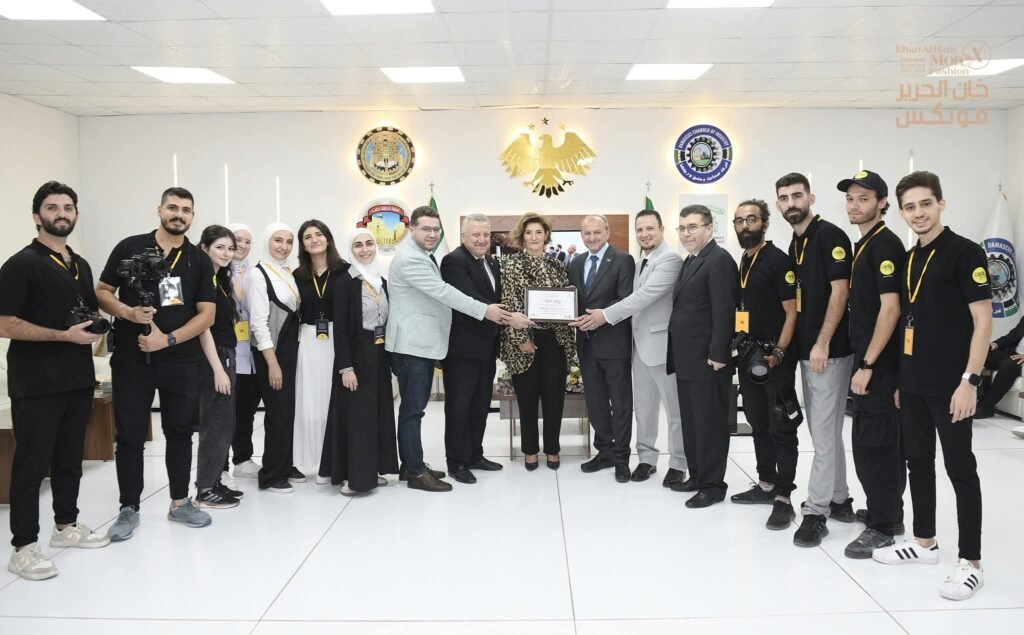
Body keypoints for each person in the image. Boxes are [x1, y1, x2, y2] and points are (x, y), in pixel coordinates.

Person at [872, 171, 990, 601]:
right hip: (914, 383)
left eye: (925, 204)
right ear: (901, 212)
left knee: (960, 469)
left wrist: (970, 380)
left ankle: (971, 561)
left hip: (953, 384)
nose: (918, 213)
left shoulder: (966, 252)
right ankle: (924, 542)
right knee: (917, 462)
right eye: (910, 207)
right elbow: (910, 321)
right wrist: (903, 381)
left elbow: (983, 321)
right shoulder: (908, 259)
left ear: (941, 203)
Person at [0, 181, 111, 581]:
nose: (61, 213)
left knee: (69, 458)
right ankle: (24, 547)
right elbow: (5, 323)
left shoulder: (79, 264)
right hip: (37, 382)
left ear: (75, 214)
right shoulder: (21, 264)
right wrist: (64, 336)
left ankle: (66, 525)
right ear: (37, 216)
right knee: (32, 465)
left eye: (68, 207)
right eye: (52, 207)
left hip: (77, 378)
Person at [97, 187, 216, 540]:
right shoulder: (130, 247)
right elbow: (102, 290)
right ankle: (128, 508)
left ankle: (180, 502)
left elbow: (207, 315)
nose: (179, 214)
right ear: (159, 210)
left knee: (180, 431)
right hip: (132, 357)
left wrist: (168, 339)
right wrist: (127, 312)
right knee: (130, 434)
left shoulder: (198, 260)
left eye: (186, 210)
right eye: (172, 207)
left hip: (180, 359)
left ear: (192, 216)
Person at [385, 205, 513, 492]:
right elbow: (443, 292)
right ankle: (415, 471)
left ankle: (413, 464)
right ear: (412, 229)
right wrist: (486, 311)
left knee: (415, 409)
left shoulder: (423, 255)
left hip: (424, 343)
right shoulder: (412, 258)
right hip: (413, 344)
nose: (432, 234)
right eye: (426, 229)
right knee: (413, 411)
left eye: (435, 229)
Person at [571, 209, 687, 486]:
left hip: (660, 345)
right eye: (640, 230)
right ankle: (646, 459)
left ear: (662, 229)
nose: (644, 234)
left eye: (650, 228)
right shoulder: (640, 261)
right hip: (637, 346)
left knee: (674, 409)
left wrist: (604, 315)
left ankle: (678, 463)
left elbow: (642, 296)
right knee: (644, 409)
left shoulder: (669, 259)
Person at [778, 172, 856, 547]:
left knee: (822, 436)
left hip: (829, 351)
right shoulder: (796, 241)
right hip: (808, 351)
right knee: (826, 432)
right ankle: (839, 498)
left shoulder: (830, 236)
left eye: (797, 196)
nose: (791, 203)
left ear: (810, 198)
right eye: (784, 198)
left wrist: (823, 342)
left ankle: (816, 511)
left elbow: (841, 292)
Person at [837, 171, 907, 559]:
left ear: (882, 203)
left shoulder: (884, 245)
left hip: (878, 366)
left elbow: (890, 309)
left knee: (875, 446)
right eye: (850, 198)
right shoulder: (866, 243)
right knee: (877, 443)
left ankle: (882, 526)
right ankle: (888, 514)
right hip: (870, 362)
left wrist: (867, 364)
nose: (854, 205)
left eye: (863, 198)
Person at [727, 199, 801, 529]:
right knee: (757, 422)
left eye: (751, 220)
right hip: (749, 357)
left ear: (765, 224)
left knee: (781, 427)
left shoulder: (778, 261)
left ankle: (784, 497)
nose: (745, 226)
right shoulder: (744, 259)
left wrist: (779, 353)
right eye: (739, 221)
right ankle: (766, 483)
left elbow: (791, 313)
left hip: (774, 359)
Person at [667, 205, 739, 508]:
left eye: (693, 227)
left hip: (709, 361)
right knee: (693, 423)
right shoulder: (692, 260)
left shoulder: (719, 260)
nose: (686, 234)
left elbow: (725, 311)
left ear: (709, 228)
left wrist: (719, 353)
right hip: (687, 360)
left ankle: (712, 486)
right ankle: (697, 476)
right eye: (682, 228)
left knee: (710, 425)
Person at [319, 229, 399, 495]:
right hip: (356, 357)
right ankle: (354, 477)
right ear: (350, 250)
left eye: (369, 244)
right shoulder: (345, 282)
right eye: (358, 245)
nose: (365, 250)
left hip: (378, 354)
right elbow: (340, 328)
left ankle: (372, 470)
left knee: (376, 415)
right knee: (357, 419)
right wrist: (346, 367)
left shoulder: (381, 281)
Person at [500, 212, 575, 471]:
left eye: (539, 232)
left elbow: (564, 300)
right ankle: (530, 450)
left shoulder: (557, 265)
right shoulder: (512, 266)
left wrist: (569, 296)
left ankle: (552, 448)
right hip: (524, 339)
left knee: (554, 397)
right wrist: (521, 339)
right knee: (527, 398)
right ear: (522, 236)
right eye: (529, 232)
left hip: (555, 338)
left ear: (546, 236)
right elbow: (509, 303)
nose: (534, 237)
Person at [441, 213, 507, 482]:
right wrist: (508, 317)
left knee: (480, 404)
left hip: (486, 347)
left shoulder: (490, 261)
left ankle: (475, 454)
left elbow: (496, 296)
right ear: (463, 236)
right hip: (462, 350)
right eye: (475, 235)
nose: (481, 240)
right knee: (459, 407)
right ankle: (457, 462)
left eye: (486, 235)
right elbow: (471, 298)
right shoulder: (453, 261)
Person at [569, 215, 635, 482]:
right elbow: (574, 299)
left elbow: (626, 299)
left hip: (614, 343)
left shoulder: (623, 260)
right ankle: (604, 451)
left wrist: (602, 316)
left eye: (597, 232)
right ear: (581, 235)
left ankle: (621, 458)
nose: (592, 237)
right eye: (587, 233)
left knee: (620, 403)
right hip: (586, 344)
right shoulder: (576, 262)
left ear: (607, 232)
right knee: (595, 402)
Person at [247, 222, 301, 493]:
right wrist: (272, 363)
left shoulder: (286, 271)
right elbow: (258, 324)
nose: (284, 246)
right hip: (271, 353)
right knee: (277, 413)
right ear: (267, 241)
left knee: (287, 411)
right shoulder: (258, 275)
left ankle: (285, 464)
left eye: (289, 241)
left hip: (289, 351)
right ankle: (271, 474)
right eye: (278, 240)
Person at [194, 225, 244, 509]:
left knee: (224, 423)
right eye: (220, 247)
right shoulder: (202, 281)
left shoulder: (219, 279)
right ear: (204, 248)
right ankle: (205, 489)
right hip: (214, 356)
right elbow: (204, 328)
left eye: (230, 248)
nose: (226, 253)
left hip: (225, 353)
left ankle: (213, 481)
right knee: (215, 423)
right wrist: (217, 369)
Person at [293, 219, 346, 478]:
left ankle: (335, 460)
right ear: (302, 244)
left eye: (319, 234)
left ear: (328, 238)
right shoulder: (296, 276)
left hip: (338, 339)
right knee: (311, 402)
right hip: (309, 341)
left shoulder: (345, 271)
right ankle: (314, 460)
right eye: (307, 237)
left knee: (333, 400)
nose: (314, 240)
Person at [225, 223, 262, 480]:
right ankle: (219, 466)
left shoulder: (256, 272)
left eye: (248, 241)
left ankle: (243, 458)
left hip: (250, 351)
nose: (243, 245)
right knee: (223, 412)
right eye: (238, 239)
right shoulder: (216, 270)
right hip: (225, 350)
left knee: (246, 408)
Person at [975, 316, 1024, 419]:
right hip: (1013, 353)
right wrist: (994, 345)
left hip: (1020, 360)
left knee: (1009, 366)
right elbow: (1011, 337)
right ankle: (981, 401)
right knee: (984, 356)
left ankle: (987, 406)